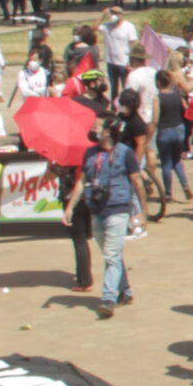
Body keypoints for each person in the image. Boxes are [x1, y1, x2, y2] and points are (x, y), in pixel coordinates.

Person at [65, 115, 140, 320]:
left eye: (96, 126)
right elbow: (81, 182)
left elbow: (137, 181)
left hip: (118, 209)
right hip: (97, 210)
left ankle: (108, 298)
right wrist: (70, 207)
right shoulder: (89, 153)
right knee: (112, 255)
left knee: (111, 255)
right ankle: (126, 291)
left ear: (108, 131)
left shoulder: (125, 153)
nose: (93, 129)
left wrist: (142, 211)